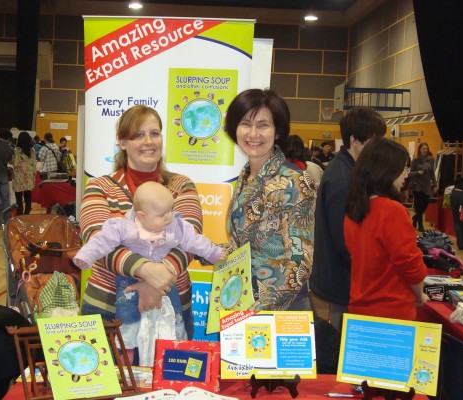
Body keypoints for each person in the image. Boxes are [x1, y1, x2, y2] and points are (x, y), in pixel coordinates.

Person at [79, 105, 203, 363]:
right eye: (138, 135)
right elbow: (95, 239)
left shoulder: (181, 186)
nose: (148, 142)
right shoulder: (99, 187)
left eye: (155, 133)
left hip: (173, 308)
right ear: (122, 142)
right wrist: (147, 272)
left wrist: (156, 283)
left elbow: (190, 240)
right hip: (107, 310)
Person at [74, 181, 228, 363]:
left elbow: (195, 242)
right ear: (142, 215)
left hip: (168, 284)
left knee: (175, 320)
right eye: (163, 215)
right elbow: (101, 241)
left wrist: (215, 253)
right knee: (127, 321)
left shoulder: (176, 224)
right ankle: (126, 354)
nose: (170, 217)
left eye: (171, 210)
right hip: (126, 283)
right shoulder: (123, 226)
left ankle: (175, 349)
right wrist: (85, 256)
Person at [225, 89, 316, 311]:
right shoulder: (246, 176)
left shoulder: (294, 180)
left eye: (263, 125)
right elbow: (246, 244)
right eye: (246, 123)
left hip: (280, 308)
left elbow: (299, 259)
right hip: (244, 299)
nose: (253, 133)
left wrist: (259, 310)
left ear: (277, 132)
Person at [309, 106, 386, 330]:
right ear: (355, 140)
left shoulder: (348, 170)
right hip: (342, 279)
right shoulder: (343, 178)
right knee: (342, 342)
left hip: (342, 276)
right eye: (374, 141)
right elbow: (345, 239)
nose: (378, 148)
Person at [344, 137, 429, 320]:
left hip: (360, 308)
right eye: (402, 169)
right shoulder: (392, 211)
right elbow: (410, 265)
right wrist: (419, 294)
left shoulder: (354, 209)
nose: (406, 174)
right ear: (386, 172)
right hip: (391, 312)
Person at [408, 142, 436, 233]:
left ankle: (415, 218)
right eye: (423, 148)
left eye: (426, 149)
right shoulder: (415, 161)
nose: (425, 150)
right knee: (419, 207)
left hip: (427, 186)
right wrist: (418, 172)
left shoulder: (430, 160)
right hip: (417, 186)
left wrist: (435, 185)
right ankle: (420, 225)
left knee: (424, 206)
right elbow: (410, 174)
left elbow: (432, 174)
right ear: (419, 149)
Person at [12, 131, 36, 215]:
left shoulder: (16, 150)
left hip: (19, 177)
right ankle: (26, 214)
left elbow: (14, 163)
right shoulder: (32, 150)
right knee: (28, 197)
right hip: (29, 177)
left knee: (18, 198)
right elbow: (34, 164)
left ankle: (19, 215)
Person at [450, 178, 463, 250]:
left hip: (455, 193)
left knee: (457, 221)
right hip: (461, 194)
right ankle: (461, 243)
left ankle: (461, 243)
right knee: (460, 222)